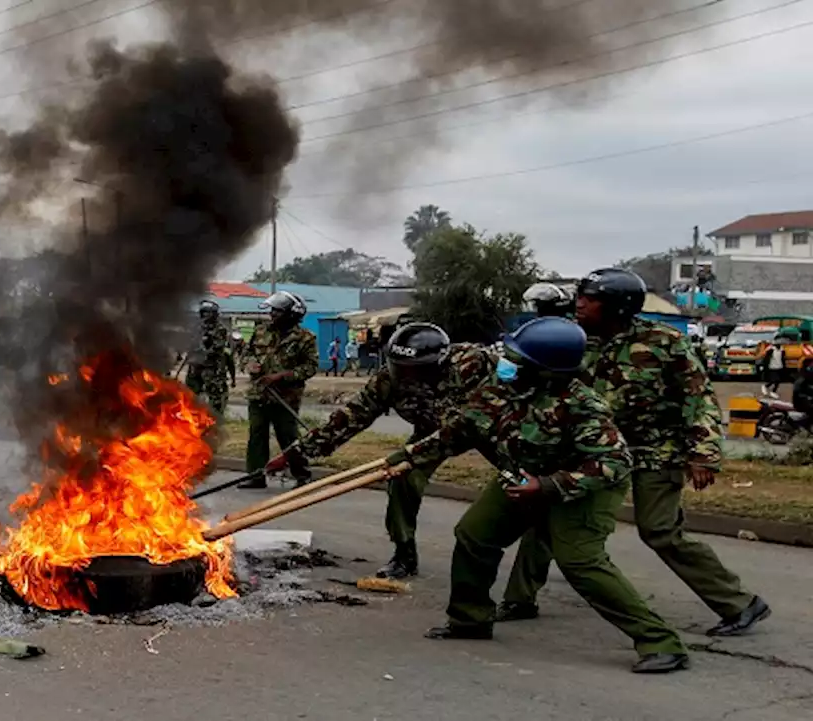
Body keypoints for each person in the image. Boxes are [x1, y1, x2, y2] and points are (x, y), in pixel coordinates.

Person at [389, 317, 690, 673]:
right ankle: (470, 620)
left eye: (517, 360)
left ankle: (660, 641)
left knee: (580, 562)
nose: (507, 364)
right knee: (474, 535)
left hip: (582, 487)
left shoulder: (582, 406)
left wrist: (548, 486)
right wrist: (406, 458)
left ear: (544, 371)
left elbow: (614, 462)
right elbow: (459, 430)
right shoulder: (501, 390)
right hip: (522, 476)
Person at [500, 268, 770, 638]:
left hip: (655, 451)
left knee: (660, 530)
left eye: (589, 299)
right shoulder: (575, 339)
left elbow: (698, 398)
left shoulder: (664, 342)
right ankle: (520, 598)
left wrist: (703, 453)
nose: (579, 303)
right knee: (550, 508)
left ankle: (738, 602)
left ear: (616, 307)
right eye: (580, 296)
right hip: (595, 447)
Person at [268, 322, 495, 579]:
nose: (405, 375)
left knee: (529, 487)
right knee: (401, 477)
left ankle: (524, 590)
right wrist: (295, 453)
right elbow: (352, 416)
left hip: (491, 427)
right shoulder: (389, 377)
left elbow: (471, 422)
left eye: (413, 370)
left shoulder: (472, 365)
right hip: (431, 431)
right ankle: (404, 554)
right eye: (400, 367)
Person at [240, 291, 318, 489]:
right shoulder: (260, 332)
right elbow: (245, 354)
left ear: (291, 315)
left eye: (277, 311)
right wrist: (249, 364)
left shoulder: (305, 338)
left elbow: (310, 367)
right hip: (259, 394)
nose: (272, 314)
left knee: (288, 437)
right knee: (257, 435)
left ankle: (302, 475)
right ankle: (256, 476)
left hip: (286, 397)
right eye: (272, 310)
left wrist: (282, 376)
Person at [185, 300, 233, 415]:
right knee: (190, 394)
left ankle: (215, 418)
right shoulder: (197, 328)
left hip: (212, 368)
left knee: (215, 396)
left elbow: (217, 349)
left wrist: (203, 348)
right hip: (196, 367)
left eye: (209, 313)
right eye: (204, 313)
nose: (206, 316)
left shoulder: (220, 329)